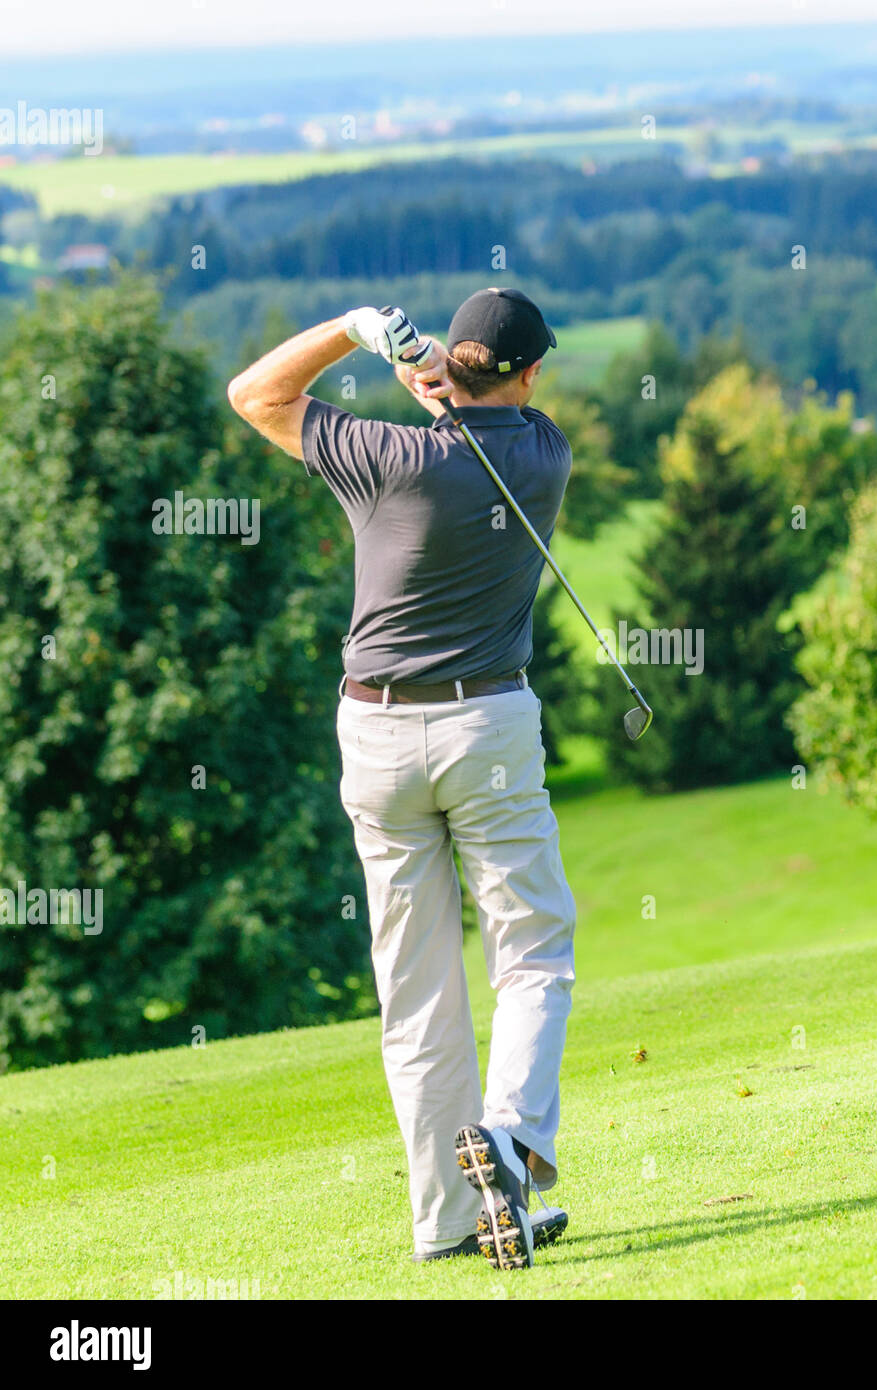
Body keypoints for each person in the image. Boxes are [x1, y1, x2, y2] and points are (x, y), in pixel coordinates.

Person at [227, 289, 577, 1270]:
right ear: (529, 372)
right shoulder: (543, 456)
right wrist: (439, 394)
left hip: (374, 732)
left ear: (444, 364)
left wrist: (353, 328)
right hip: (488, 726)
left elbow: (253, 392)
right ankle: (508, 1141)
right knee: (533, 951)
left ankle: (445, 1221)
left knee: (415, 991)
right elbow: (483, 428)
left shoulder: (383, 457)